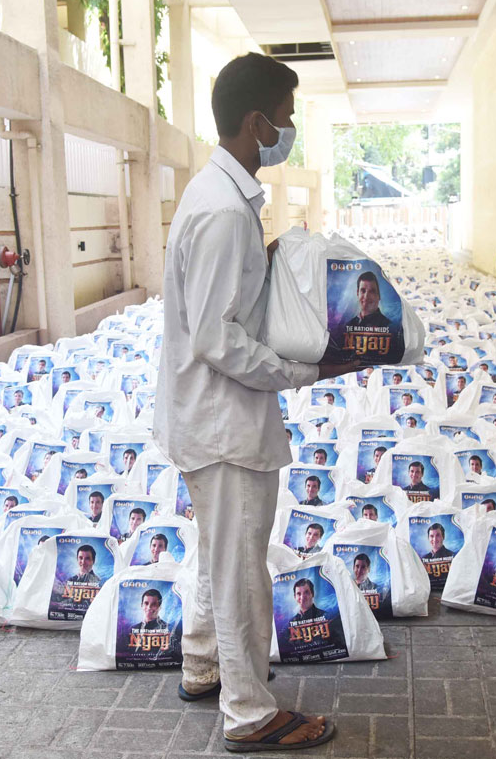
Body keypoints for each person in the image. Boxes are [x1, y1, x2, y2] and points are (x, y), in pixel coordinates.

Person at [154, 52, 348, 750]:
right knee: (239, 571)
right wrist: (308, 370)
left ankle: (205, 667)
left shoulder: (221, 199)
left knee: (221, 554)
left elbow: (220, 311)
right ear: (258, 121)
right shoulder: (221, 213)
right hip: (223, 424)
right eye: (286, 120)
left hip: (212, 419)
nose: (288, 133)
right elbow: (216, 339)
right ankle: (249, 712)